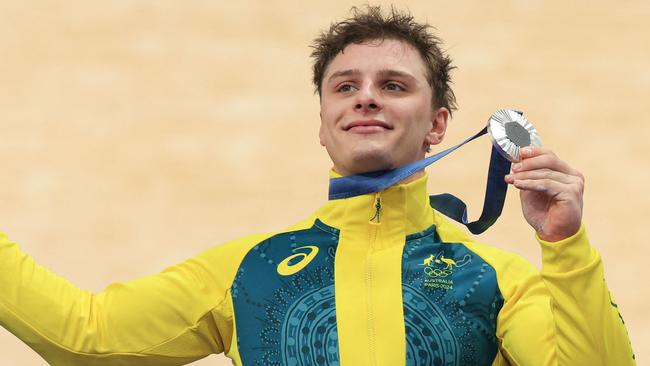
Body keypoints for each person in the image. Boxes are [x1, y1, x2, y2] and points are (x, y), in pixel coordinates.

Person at [0, 5, 635, 366]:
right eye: (345, 87)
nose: (366, 99)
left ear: (438, 123)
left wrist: (567, 248)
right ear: (323, 126)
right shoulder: (246, 269)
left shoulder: (499, 278)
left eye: (393, 85)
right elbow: (81, 336)